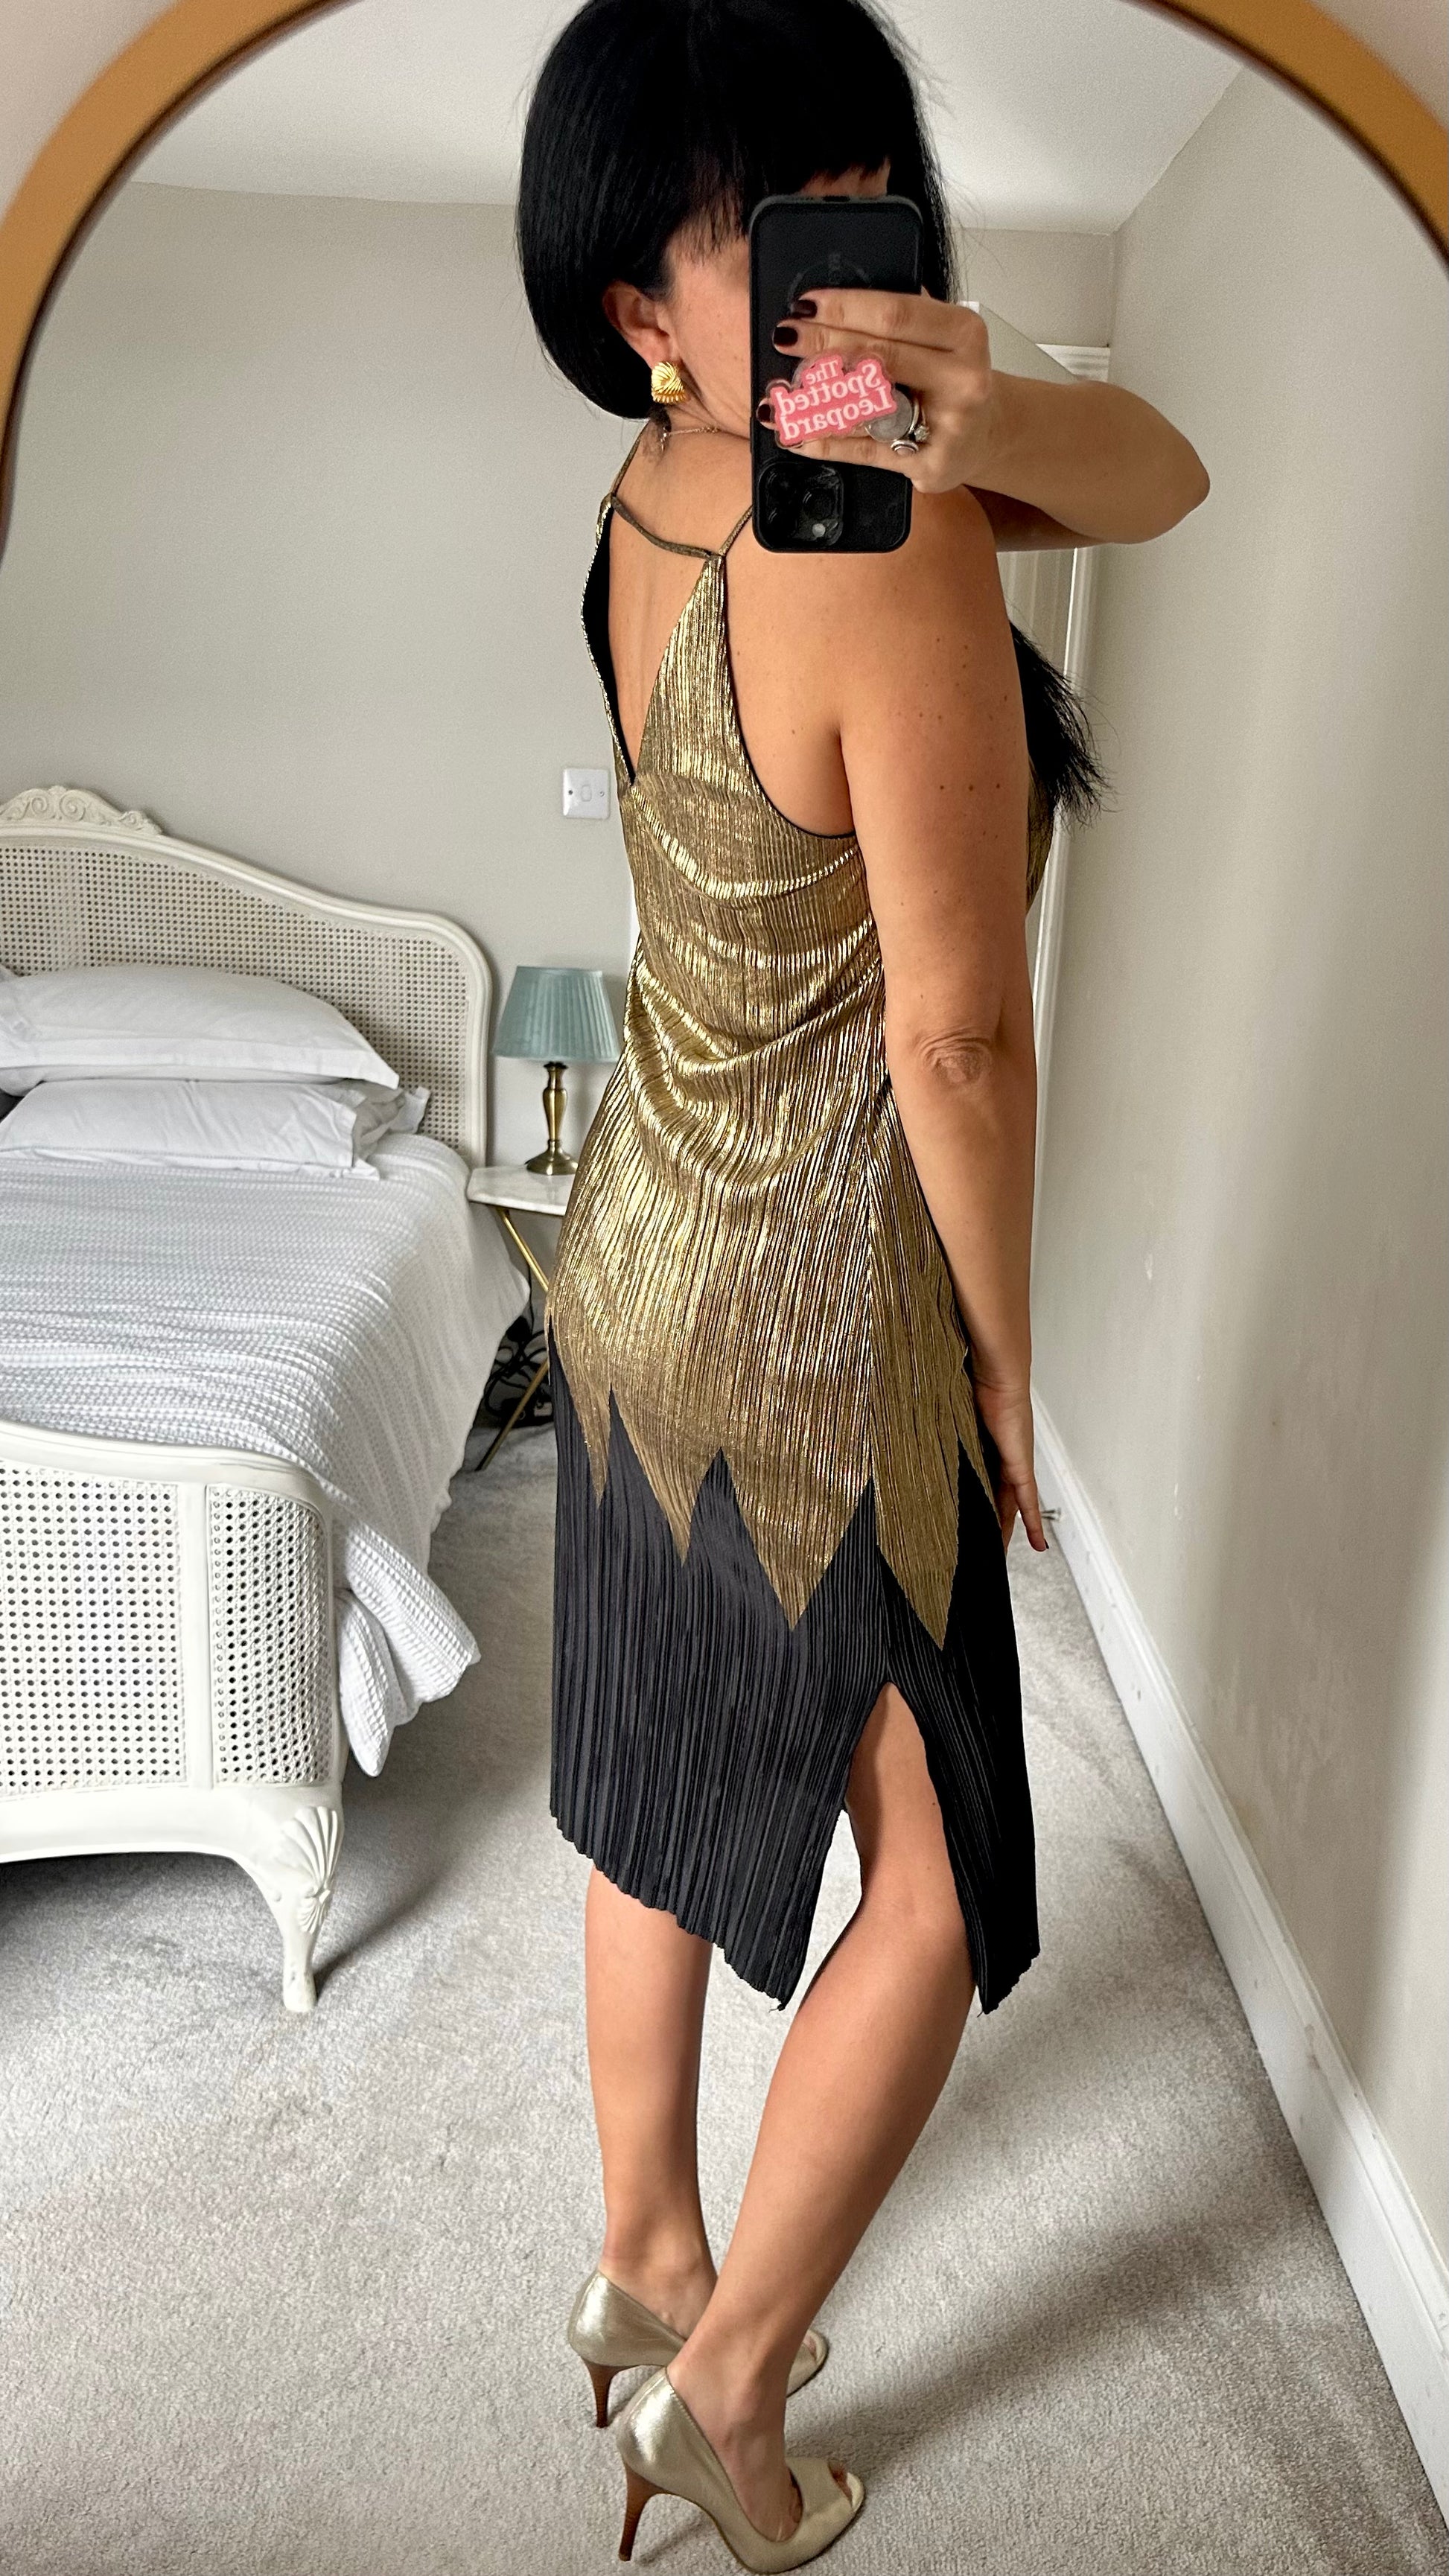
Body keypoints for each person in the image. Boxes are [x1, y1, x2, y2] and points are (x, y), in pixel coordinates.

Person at [518, 4, 1208, 2565]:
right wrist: (1009, 1359)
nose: (825, 279)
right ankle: (720, 2402)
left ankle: (643, 2255)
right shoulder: (880, 543)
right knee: (936, 1880)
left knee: (659, 1774)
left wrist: (975, 392)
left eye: (852, 195)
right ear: (639, 303)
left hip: (629, 1262)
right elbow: (956, 1033)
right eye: (758, 229)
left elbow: (1161, 475)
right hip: (819, 1331)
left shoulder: (658, 494)